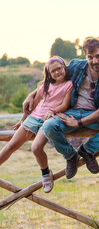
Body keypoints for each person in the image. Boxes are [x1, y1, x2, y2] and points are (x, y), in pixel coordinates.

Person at [23, 37, 99, 179]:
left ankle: (87, 150)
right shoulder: (76, 66)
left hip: (94, 116)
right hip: (71, 113)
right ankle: (70, 155)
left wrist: (79, 122)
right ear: (85, 56)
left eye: (98, 56)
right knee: (48, 126)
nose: (95, 61)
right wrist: (32, 94)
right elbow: (52, 79)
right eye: (90, 57)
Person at [0, 56, 73, 193]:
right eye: (53, 71)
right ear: (49, 73)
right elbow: (33, 105)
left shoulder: (69, 84)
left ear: (64, 67)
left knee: (36, 148)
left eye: (59, 68)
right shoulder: (45, 85)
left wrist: (52, 111)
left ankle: (45, 173)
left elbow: (65, 104)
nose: (57, 72)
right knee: (11, 145)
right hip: (34, 118)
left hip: (49, 119)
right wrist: (23, 120)